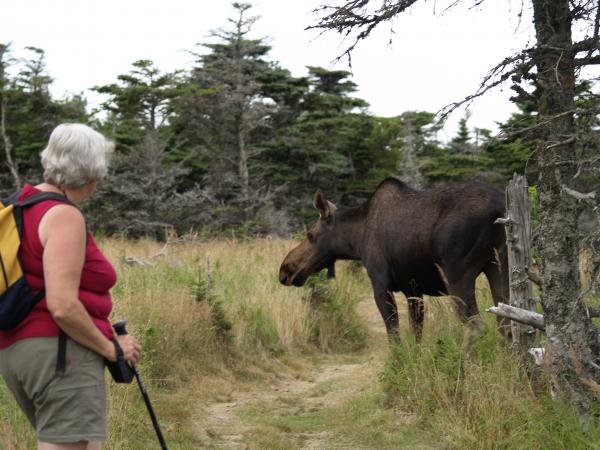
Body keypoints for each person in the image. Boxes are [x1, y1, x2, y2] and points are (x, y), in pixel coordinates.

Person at [0, 123, 141, 450]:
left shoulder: (19, 205)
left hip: (15, 351)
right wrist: (111, 348)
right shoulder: (63, 216)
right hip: (60, 354)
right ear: (93, 174)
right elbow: (62, 305)